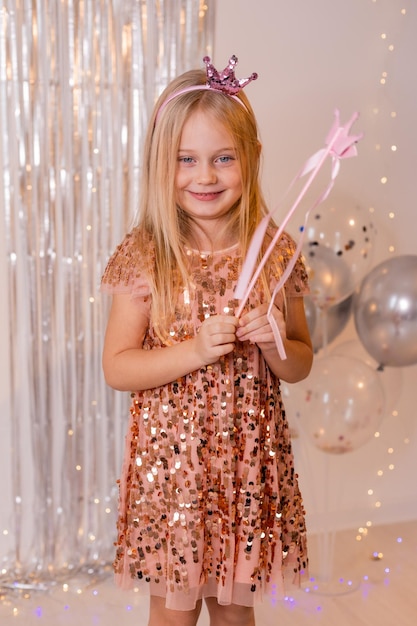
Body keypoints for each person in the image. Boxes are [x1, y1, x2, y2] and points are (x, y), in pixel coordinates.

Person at [101, 55, 313, 626]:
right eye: (185, 160)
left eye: (223, 158)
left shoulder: (273, 255)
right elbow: (118, 368)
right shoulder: (147, 255)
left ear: (251, 159)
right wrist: (194, 351)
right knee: (172, 613)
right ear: (160, 166)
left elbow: (300, 364)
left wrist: (275, 345)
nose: (206, 176)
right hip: (173, 475)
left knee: (232, 611)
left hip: (245, 470)